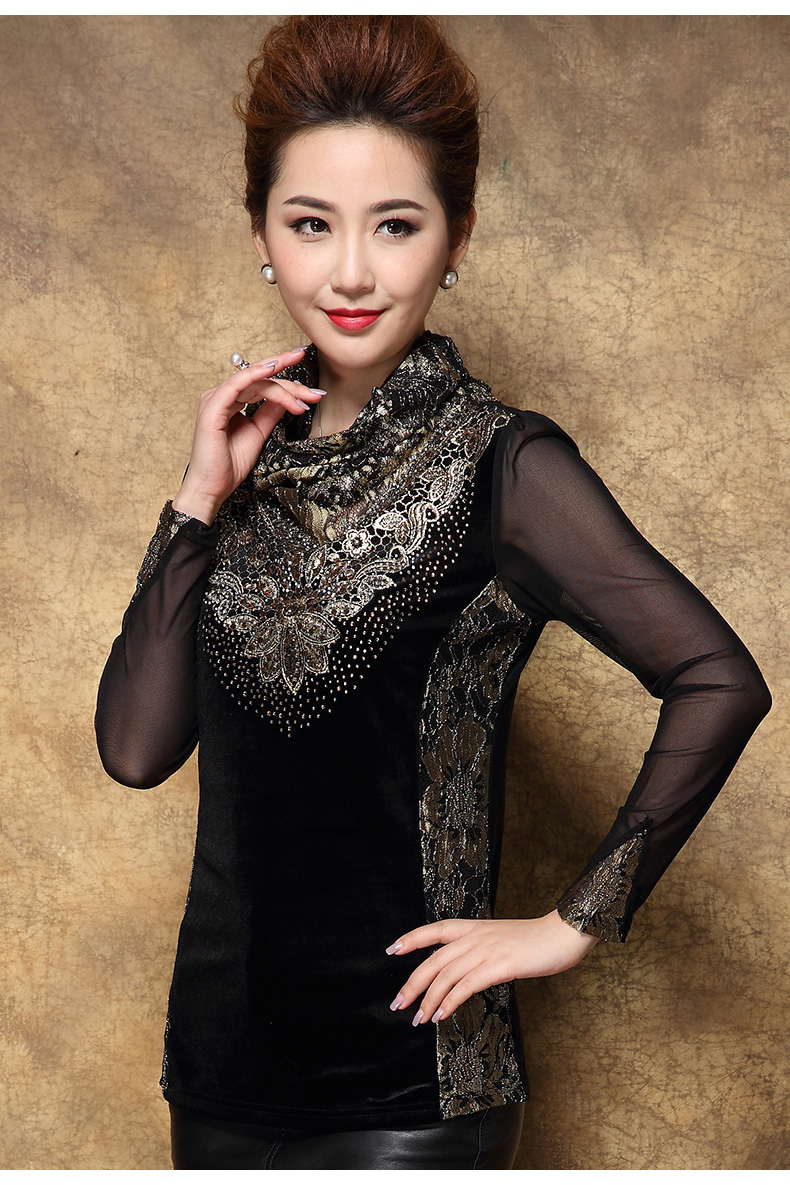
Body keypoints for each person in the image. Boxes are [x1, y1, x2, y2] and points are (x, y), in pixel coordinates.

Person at [95, 15, 771, 1171]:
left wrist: (571, 922)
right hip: (217, 1074)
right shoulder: (240, 474)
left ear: (456, 237)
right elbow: (135, 750)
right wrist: (198, 496)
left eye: (395, 225)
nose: (350, 272)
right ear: (262, 235)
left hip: (413, 1091)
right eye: (311, 223)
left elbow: (718, 679)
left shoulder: (505, 465)